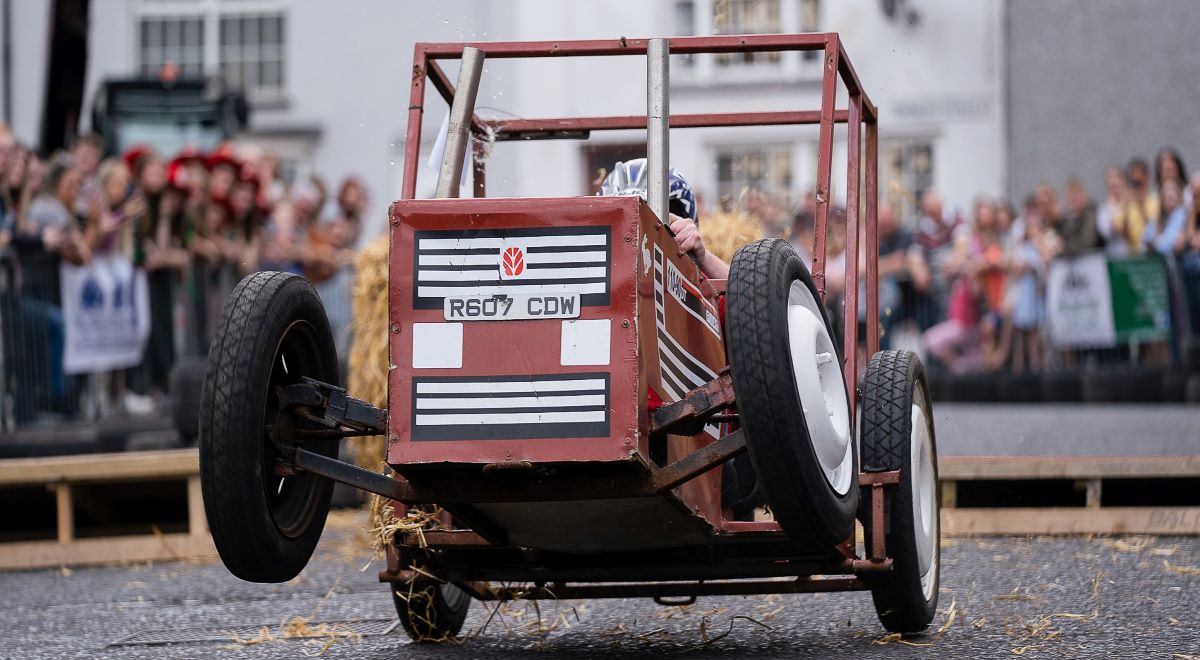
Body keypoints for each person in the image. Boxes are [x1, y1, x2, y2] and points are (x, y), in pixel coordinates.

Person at [599, 158, 728, 279]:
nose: (637, 231)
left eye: (655, 217)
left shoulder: (696, 280)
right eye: (625, 218)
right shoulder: (593, 278)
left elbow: (742, 294)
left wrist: (703, 258)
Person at [1123, 158, 1160, 252]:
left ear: (1147, 177)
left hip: (1152, 252)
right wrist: (1126, 208)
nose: (1136, 178)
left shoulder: (1156, 201)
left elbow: (1154, 230)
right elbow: (1123, 236)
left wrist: (1141, 207)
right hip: (1132, 253)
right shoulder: (1126, 203)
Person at [1058, 177, 1100, 257]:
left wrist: (1063, 248)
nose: (1073, 199)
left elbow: (1087, 242)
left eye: (1076, 195)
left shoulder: (1091, 213)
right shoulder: (1068, 219)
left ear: (1084, 196)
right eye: (1070, 195)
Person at [1097, 165, 1131, 256]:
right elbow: (1109, 232)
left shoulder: (1135, 203)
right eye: (1110, 177)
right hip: (1116, 258)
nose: (1114, 181)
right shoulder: (1104, 209)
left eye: (1117, 176)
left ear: (1124, 180)